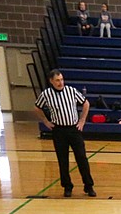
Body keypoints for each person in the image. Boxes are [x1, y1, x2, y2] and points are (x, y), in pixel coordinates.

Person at [33, 70, 95, 198]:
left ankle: (88, 185)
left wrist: (82, 120)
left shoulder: (71, 91)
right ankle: (67, 186)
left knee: (82, 158)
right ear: (51, 81)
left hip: (74, 129)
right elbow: (37, 107)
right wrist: (45, 121)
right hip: (59, 130)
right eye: (57, 80)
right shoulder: (46, 94)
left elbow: (86, 103)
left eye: (61, 79)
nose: (60, 82)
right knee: (63, 160)